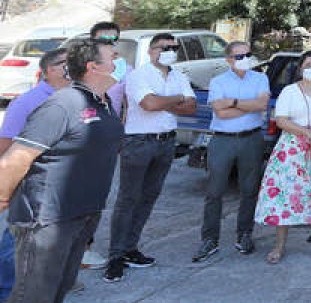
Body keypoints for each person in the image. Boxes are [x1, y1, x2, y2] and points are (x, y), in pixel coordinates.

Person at [0, 40, 123, 303]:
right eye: (113, 57)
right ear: (93, 67)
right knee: (33, 296)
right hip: (48, 219)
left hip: (84, 212)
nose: (119, 63)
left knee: (60, 288)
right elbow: (14, 160)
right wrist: (3, 201)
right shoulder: (62, 105)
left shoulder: (104, 102)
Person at [104, 33, 196, 283]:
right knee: (128, 199)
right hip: (138, 142)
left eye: (173, 47)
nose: (169, 51)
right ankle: (115, 257)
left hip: (166, 142)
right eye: (164, 47)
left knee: (148, 198)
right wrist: (177, 98)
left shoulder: (179, 76)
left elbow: (191, 108)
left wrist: (166, 101)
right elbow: (149, 104)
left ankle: (130, 248)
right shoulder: (138, 75)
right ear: (151, 51)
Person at [254, 50, 311, 264]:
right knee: (286, 195)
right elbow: (281, 120)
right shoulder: (289, 91)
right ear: (300, 67)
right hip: (293, 149)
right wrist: (306, 132)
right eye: (308, 63)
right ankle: (279, 245)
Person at [0, 48, 70, 299]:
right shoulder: (29, 101)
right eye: (66, 64)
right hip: (26, 185)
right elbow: (6, 145)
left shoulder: (75, 98)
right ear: (50, 70)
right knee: (10, 247)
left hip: (57, 186)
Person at [193, 41, 270, 262]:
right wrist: (247, 105)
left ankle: (244, 234)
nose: (244, 59)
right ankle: (209, 239)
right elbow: (220, 112)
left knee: (249, 190)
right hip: (223, 140)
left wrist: (233, 102)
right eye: (239, 56)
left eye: (248, 54)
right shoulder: (218, 81)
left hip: (252, 139)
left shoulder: (260, 78)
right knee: (214, 192)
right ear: (228, 60)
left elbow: (261, 106)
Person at [85, 21, 126, 270]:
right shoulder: (82, 69)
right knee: (81, 197)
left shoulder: (122, 66)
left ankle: (84, 246)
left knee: (98, 197)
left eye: (113, 39)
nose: (109, 43)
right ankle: (81, 250)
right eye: (104, 39)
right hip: (85, 141)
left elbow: (126, 102)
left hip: (109, 141)